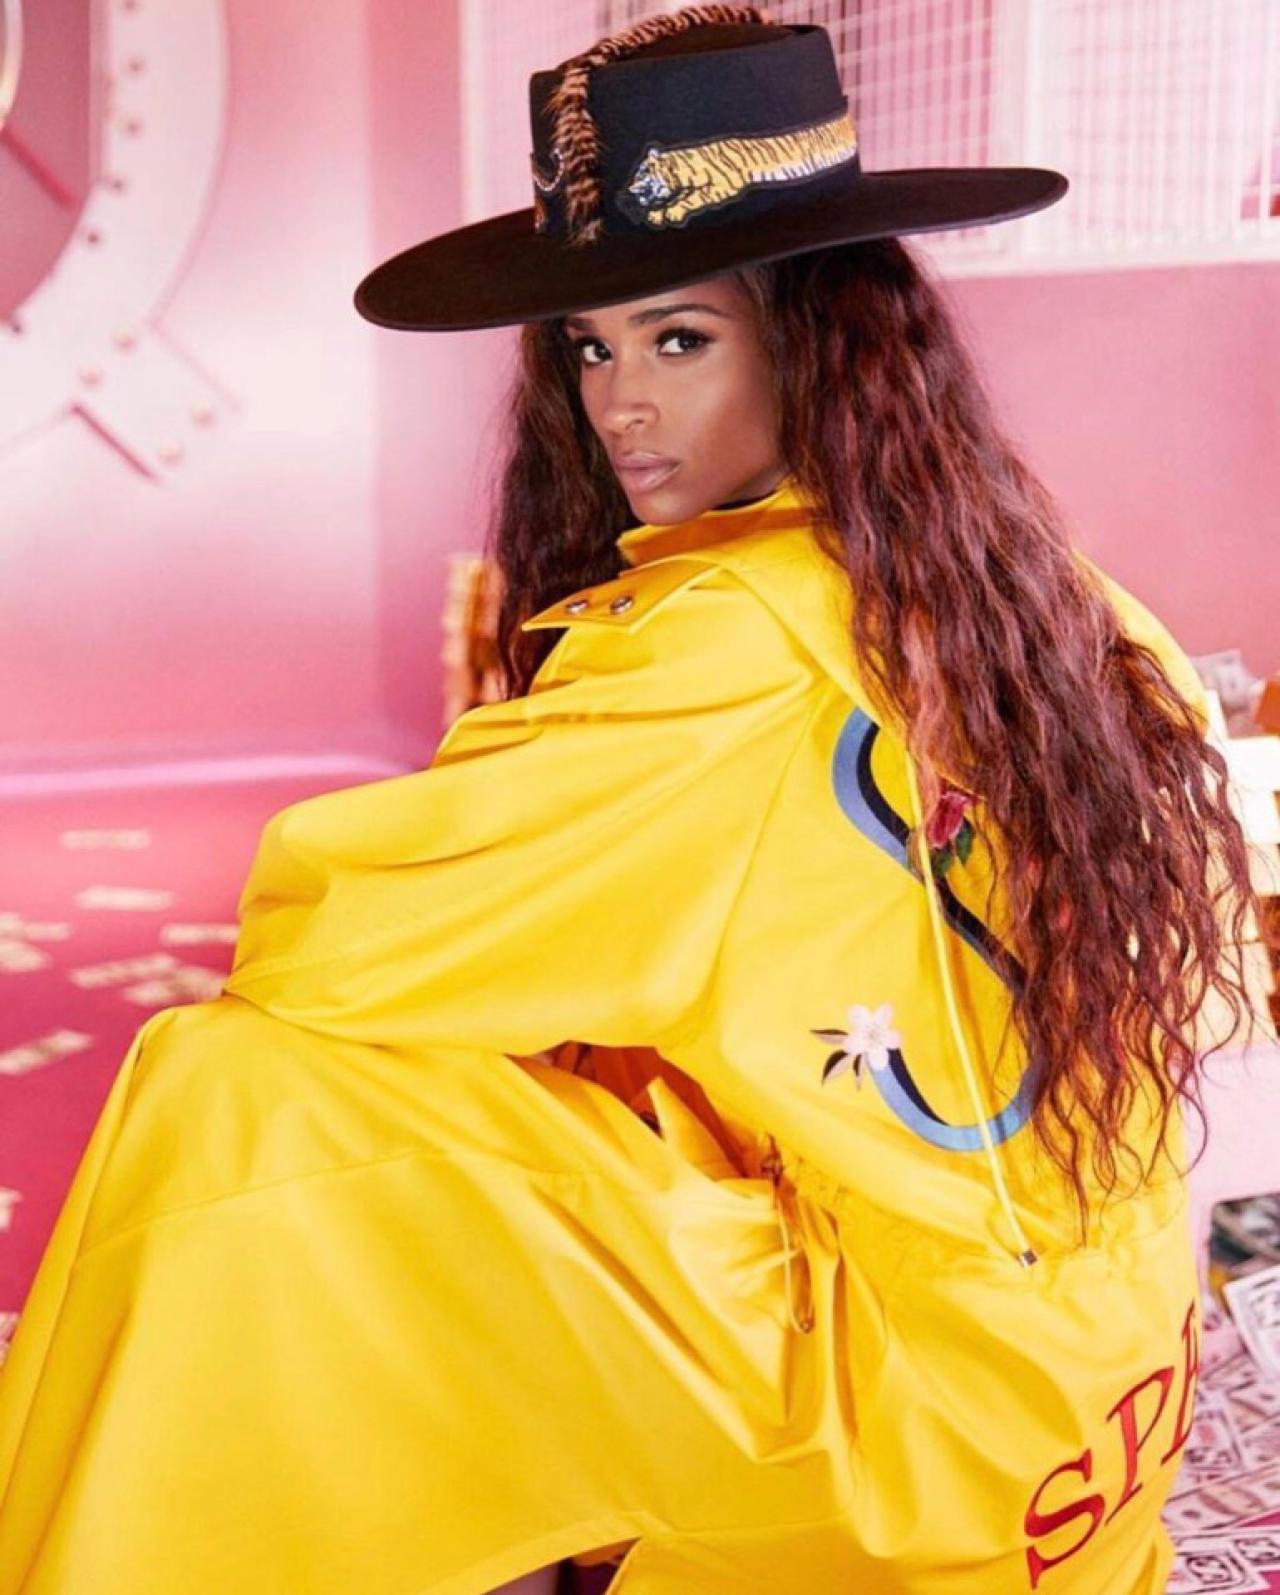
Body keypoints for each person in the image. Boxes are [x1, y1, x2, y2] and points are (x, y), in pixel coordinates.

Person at [0, 9, 1267, 1595]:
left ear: (819, 338)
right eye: (592, 349)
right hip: (1102, 1394)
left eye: (679, 340)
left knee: (235, 1085)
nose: (620, 405)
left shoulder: (722, 642)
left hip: (915, 1424)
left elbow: (332, 944)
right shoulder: (1032, 587)